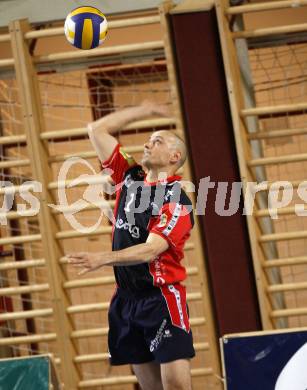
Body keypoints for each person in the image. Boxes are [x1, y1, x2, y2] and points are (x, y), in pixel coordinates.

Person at [67, 101, 195, 390]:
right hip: (126, 300)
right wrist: (145, 109)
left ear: (174, 156)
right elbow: (96, 129)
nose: (148, 145)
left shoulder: (177, 201)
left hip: (161, 299)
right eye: (148, 140)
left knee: (175, 385)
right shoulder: (129, 175)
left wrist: (103, 258)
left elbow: (150, 249)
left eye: (157, 141)